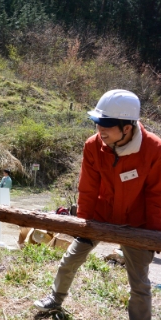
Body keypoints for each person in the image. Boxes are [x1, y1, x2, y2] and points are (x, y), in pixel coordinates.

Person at [34, 89, 161, 320]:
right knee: (70, 259)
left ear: (127, 128)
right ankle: (55, 299)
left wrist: (154, 234)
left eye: (106, 125)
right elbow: (88, 188)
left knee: (140, 282)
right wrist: (82, 223)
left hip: (138, 223)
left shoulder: (154, 149)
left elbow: (156, 195)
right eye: (97, 123)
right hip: (99, 216)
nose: (100, 129)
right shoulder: (93, 146)